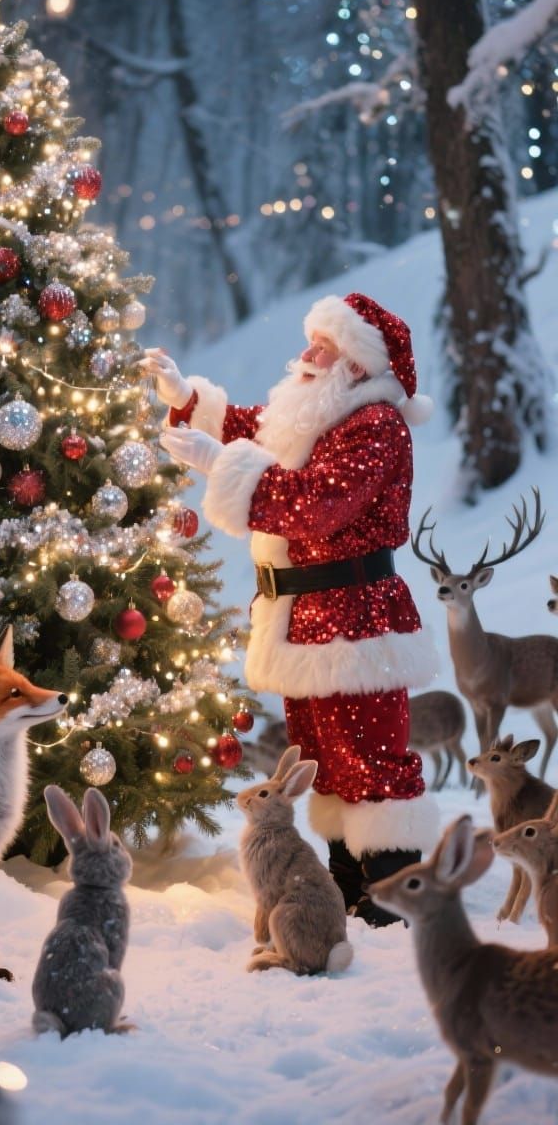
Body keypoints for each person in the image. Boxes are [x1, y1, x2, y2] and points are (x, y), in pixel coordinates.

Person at [142, 292, 439, 926]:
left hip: (356, 619)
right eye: (311, 341)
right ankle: (349, 889)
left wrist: (218, 462)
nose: (306, 354)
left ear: (355, 365)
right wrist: (186, 397)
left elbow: (316, 505)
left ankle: (392, 897)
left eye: (322, 347)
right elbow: (255, 428)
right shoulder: (318, 415)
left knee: (370, 759)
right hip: (304, 618)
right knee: (324, 760)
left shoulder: (374, 426)